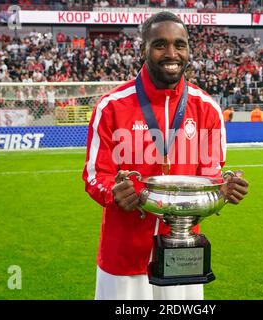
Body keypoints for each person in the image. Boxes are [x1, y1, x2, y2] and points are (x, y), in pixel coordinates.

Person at [82, 12, 249, 300]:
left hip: (184, 255)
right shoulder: (111, 107)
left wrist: (223, 187)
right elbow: (95, 176)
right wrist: (113, 192)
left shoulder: (207, 109)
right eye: (160, 44)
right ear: (143, 49)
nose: (171, 53)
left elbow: (211, 173)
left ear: (188, 50)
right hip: (124, 258)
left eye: (179, 45)